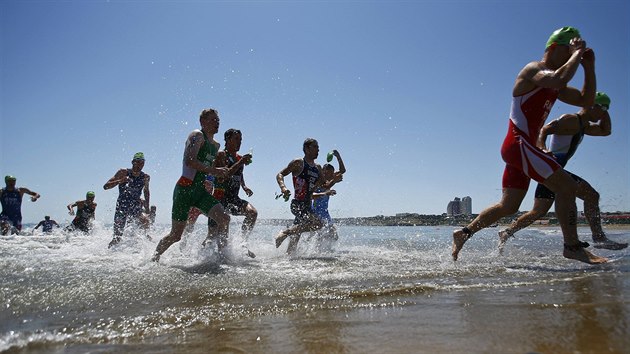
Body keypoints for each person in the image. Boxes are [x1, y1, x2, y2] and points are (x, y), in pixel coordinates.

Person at [451, 26, 607, 265]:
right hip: (519, 144)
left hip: (519, 149)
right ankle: (572, 247)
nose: (571, 57)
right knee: (566, 187)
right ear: (554, 48)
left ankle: (464, 233)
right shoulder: (534, 69)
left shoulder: (557, 84)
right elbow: (559, 77)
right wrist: (578, 53)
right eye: (568, 50)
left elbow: (586, 100)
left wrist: (589, 67)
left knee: (509, 206)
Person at [499, 92, 627, 251]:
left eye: (606, 110)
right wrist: (542, 148)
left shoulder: (583, 126)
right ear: (592, 106)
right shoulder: (571, 120)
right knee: (591, 195)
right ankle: (598, 237)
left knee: (538, 211)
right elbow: (544, 129)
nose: (603, 114)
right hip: (552, 167)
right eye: (602, 109)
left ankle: (507, 231)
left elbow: (605, 130)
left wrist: (604, 109)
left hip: (554, 170)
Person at [151, 108, 231, 262]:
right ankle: (154, 258)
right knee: (176, 235)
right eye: (213, 120)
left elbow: (209, 170)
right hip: (184, 190)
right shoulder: (197, 135)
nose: (217, 123)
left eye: (218, 120)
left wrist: (219, 174)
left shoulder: (215, 145)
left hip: (201, 191)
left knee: (224, 219)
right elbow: (190, 161)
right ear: (202, 122)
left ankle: (223, 257)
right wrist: (215, 170)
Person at [275, 138, 341, 254]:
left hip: (307, 206)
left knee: (296, 237)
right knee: (318, 224)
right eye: (315, 147)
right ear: (306, 149)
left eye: (318, 148)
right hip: (298, 203)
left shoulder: (318, 168)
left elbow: (325, 185)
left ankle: (288, 258)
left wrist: (334, 181)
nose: (318, 150)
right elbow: (280, 174)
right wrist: (283, 188)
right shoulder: (298, 163)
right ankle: (285, 233)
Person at [206, 128, 256, 257]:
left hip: (233, 198)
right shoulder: (221, 155)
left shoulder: (240, 159)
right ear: (227, 140)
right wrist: (240, 162)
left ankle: (242, 242)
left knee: (252, 213)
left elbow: (239, 175)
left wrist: (244, 186)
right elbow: (224, 175)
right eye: (236, 139)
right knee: (213, 237)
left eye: (240, 140)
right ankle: (204, 257)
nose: (239, 142)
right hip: (219, 199)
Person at [104, 152, 152, 248]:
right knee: (117, 237)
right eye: (138, 162)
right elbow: (106, 186)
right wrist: (120, 181)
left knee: (146, 221)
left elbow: (146, 191)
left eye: (142, 163)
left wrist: (147, 207)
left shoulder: (145, 177)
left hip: (135, 205)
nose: (140, 165)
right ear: (132, 162)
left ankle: (146, 249)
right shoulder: (123, 172)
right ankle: (106, 255)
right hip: (122, 206)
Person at [311, 150, 347, 244]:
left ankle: (325, 251)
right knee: (319, 234)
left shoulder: (330, 180)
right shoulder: (318, 180)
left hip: (325, 212)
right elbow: (324, 188)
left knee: (334, 236)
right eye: (328, 173)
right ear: (323, 172)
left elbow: (343, 171)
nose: (330, 175)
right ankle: (315, 251)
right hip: (315, 211)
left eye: (331, 174)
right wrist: (334, 180)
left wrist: (338, 156)